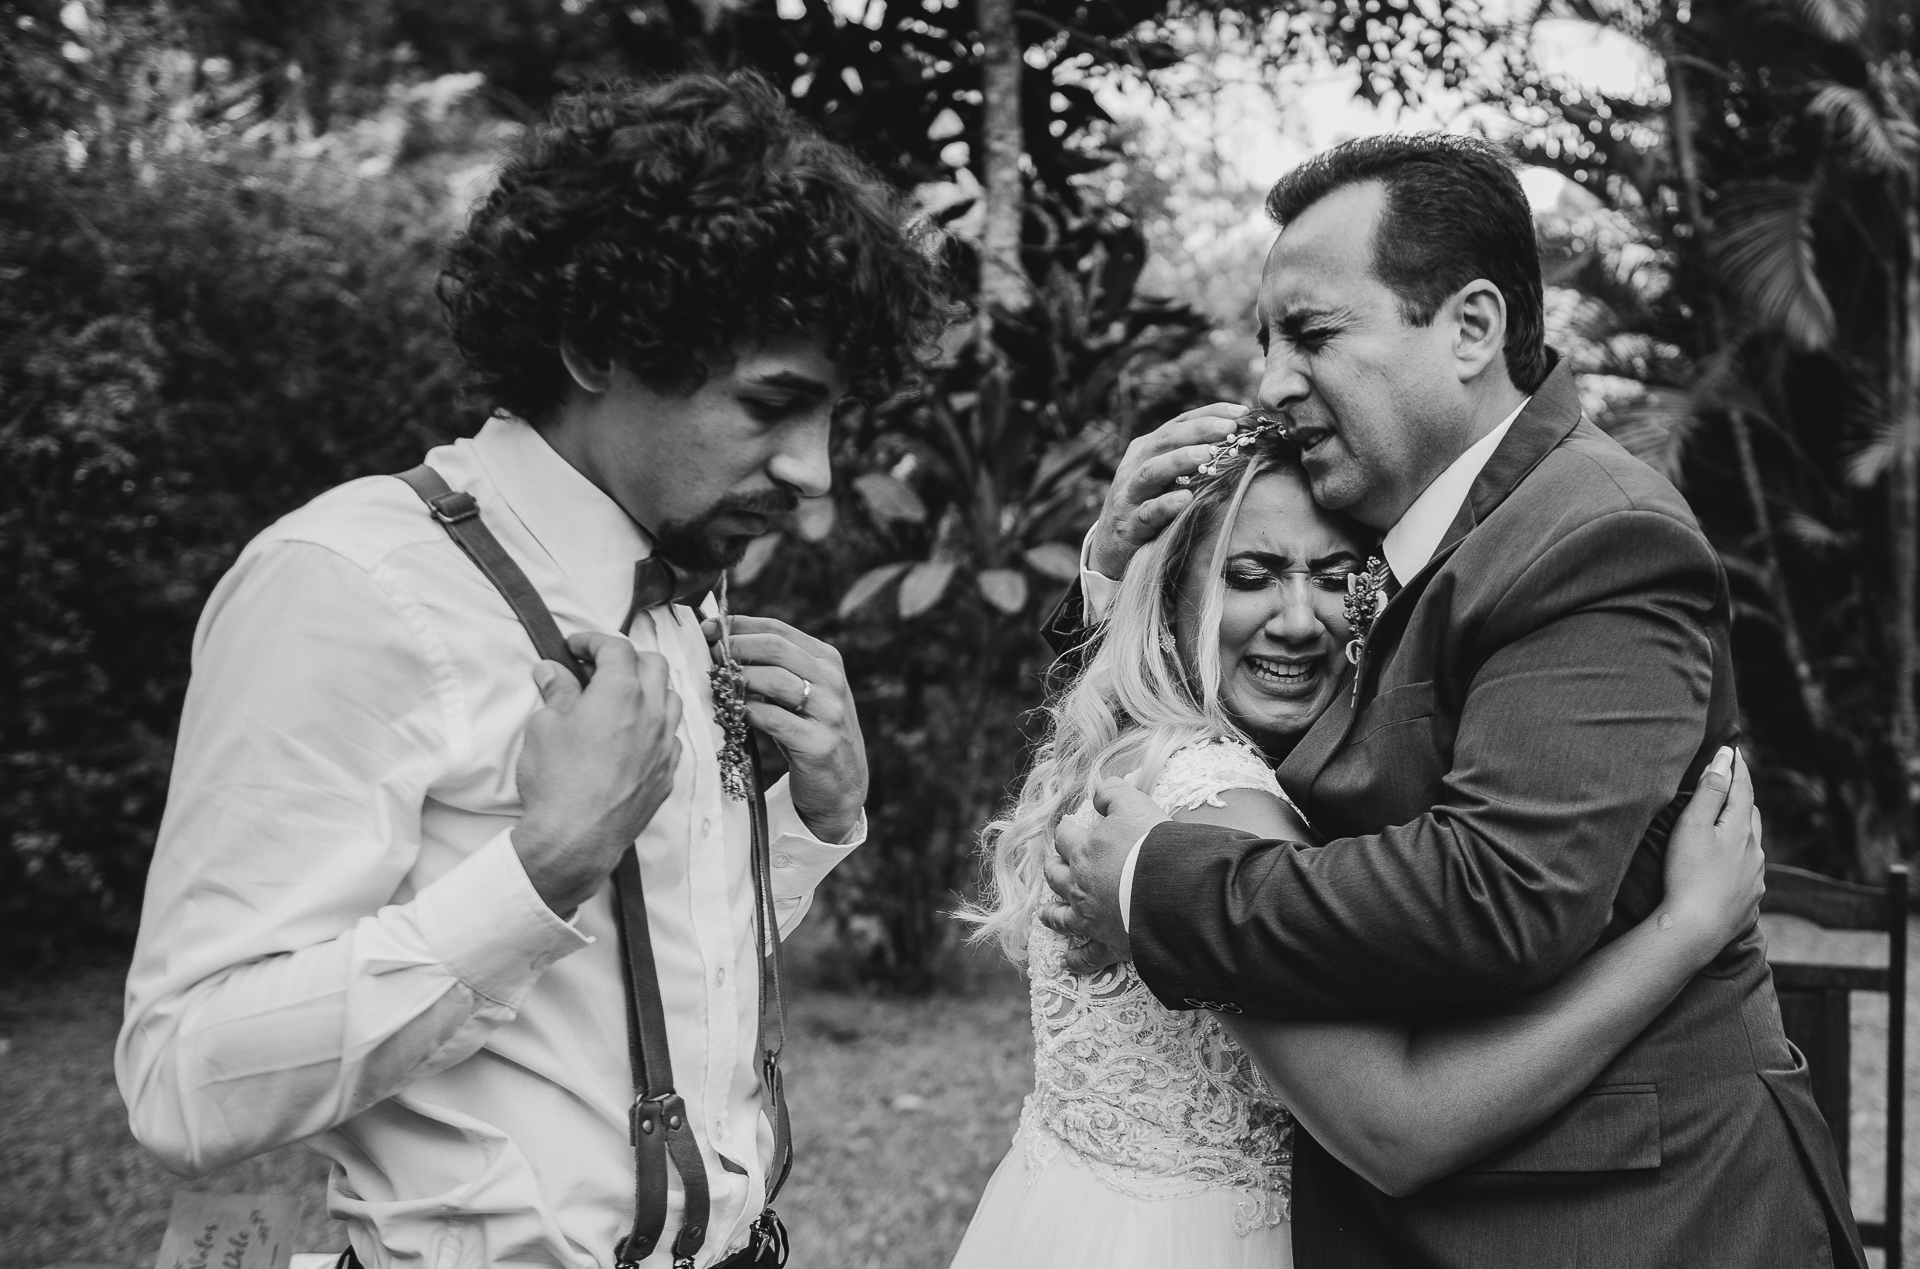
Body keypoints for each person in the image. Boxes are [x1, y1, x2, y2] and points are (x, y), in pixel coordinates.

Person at [115, 72, 946, 1269]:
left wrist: (813, 820)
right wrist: (540, 867)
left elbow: (654, 963)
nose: (815, 473)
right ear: (601, 344)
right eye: (773, 404)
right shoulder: (347, 581)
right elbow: (182, 1079)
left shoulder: (685, 583)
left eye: (833, 417)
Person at [1043, 135, 1864, 1267]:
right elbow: (1230, 712)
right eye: (1269, 342)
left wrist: (1154, 876)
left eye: (1314, 335)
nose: (1274, 381)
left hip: (1636, 1226)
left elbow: (1499, 893)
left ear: (1472, 326)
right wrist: (1113, 576)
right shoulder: (1419, 534)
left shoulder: (1597, 533)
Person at [948, 431, 1765, 1267]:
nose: (1301, 621)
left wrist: (1106, 576)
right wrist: (1684, 934)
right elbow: (1398, 1129)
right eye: (1250, 576)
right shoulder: (1218, 801)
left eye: (1338, 578)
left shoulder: (1141, 742)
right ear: (1174, 596)